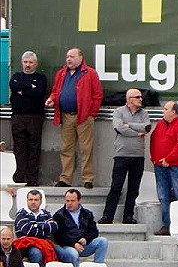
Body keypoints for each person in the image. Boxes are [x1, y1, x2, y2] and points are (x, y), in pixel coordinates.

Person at [45, 48, 103, 189]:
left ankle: (87, 178)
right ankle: (65, 178)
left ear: (80, 58)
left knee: (86, 148)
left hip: (83, 116)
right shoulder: (61, 73)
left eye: (72, 56)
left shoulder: (90, 73)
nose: (68, 59)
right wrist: (52, 99)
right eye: (67, 57)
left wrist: (91, 114)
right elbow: (55, 91)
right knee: (66, 148)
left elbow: (97, 94)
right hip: (66, 116)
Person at [98, 88, 151, 225]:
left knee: (133, 189)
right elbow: (119, 128)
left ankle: (128, 216)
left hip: (138, 156)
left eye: (140, 97)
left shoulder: (144, 113)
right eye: (137, 97)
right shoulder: (119, 112)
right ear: (129, 99)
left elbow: (146, 127)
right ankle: (108, 216)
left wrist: (130, 125)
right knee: (116, 187)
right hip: (122, 155)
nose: (141, 99)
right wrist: (136, 133)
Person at [150, 100, 178, 236]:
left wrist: (168, 159)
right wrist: (154, 159)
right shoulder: (160, 125)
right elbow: (153, 140)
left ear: (173, 112)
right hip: (159, 166)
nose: (163, 111)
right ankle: (167, 225)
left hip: (176, 166)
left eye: (166, 109)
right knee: (163, 196)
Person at [9, 51, 48, 186]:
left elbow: (39, 92)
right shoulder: (16, 76)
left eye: (30, 62)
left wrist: (23, 91)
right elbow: (14, 87)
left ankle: (32, 180)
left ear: (35, 64)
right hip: (18, 117)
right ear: (22, 63)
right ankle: (19, 178)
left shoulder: (41, 78)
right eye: (25, 62)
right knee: (19, 148)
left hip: (35, 117)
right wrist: (29, 87)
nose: (28, 65)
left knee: (34, 149)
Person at [52, 189, 108, 267]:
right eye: (67, 201)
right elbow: (59, 236)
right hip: (66, 246)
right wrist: (73, 244)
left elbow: (94, 231)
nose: (69, 203)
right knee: (73, 254)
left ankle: (98, 265)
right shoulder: (59, 215)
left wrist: (86, 239)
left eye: (72, 201)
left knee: (103, 241)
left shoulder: (87, 214)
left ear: (79, 201)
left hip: (83, 245)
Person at [14, 189, 58, 265]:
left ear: (40, 201)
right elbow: (29, 230)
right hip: (27, 245)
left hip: (46, 243)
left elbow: (54, 227)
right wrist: (45, 228)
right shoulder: (21, 214)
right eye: (30, 200)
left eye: (36, 200)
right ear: (27, 201)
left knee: (70, 254)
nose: (33, 202)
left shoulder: (45, 213)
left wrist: (36, 225)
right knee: (37, 253)